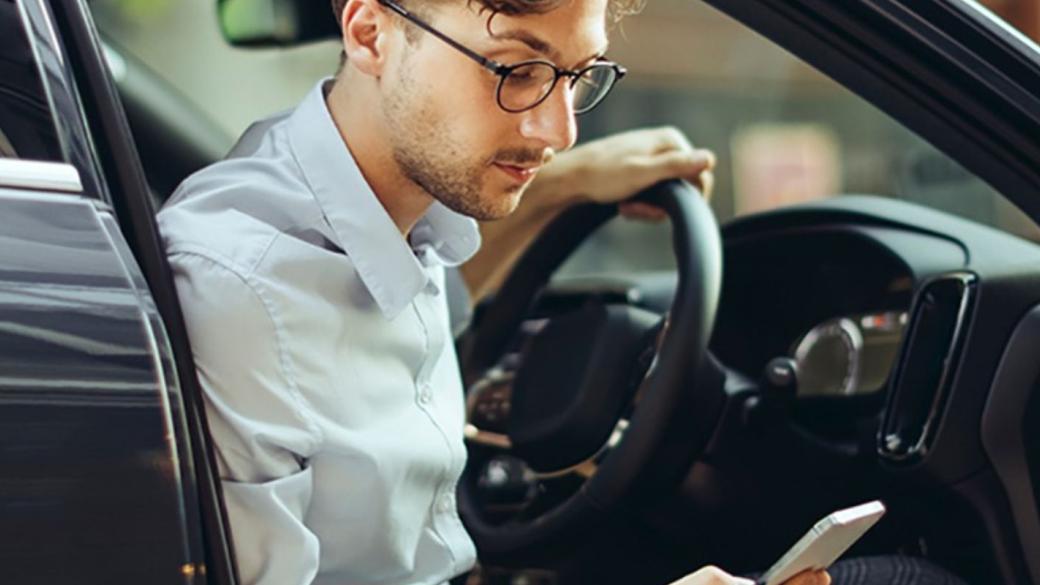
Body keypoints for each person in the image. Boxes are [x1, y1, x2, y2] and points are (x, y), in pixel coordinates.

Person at [157, 1, 962, 584]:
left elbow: (390, 311)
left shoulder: (383, 204)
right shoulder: (238, 290)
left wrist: (566, 187)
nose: (558, 128)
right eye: (517, 68)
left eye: (577, 75)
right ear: (370, 32)